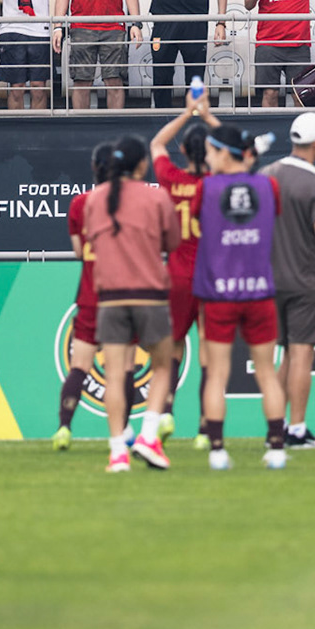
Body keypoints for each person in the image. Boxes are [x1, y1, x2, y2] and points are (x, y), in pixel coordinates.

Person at [192, 122, 289, 471]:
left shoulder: (205, 188)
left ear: (221, 151)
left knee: (217, 374)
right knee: (267, 372)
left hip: (218, 293)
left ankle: (217, 450)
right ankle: (277, 447)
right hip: (259, 290)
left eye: (209, 151)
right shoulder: (268, 185)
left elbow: (199, 221)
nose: (205, 158)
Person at [82, 136, 181, 472]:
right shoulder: (155, 197)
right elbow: (173, 241)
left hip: (110, 297)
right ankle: (148, 436)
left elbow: (90, 239)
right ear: (142, 164)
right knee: (164, 365)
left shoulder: (94, 200)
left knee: (113, 376)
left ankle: (117, 454)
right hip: (149, 293)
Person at [263, 111, 315, 450]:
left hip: (269, 279)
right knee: (301, 355)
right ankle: (295, 429)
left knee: (284, 355)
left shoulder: (268, 174)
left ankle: (276, 428)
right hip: (304, 279)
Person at [148, 99, 212, 447]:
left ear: (184, 149)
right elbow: (245, 156)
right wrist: (208, 116)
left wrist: (188, 113)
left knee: (171, 349)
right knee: (207, 353)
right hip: (210, 276)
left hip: (175, 275)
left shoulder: (172, 178)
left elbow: (157, 144)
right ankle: (205, 428)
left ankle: (168, 412)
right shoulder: (216, 182)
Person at [53, 141, 110, 451]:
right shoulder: (123, 203)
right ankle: (123, 431)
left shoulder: (79, 204)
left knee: (80, 366)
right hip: (119, 296)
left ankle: (64, 427)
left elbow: (78, 251)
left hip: (89, 294)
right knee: (121, 367)